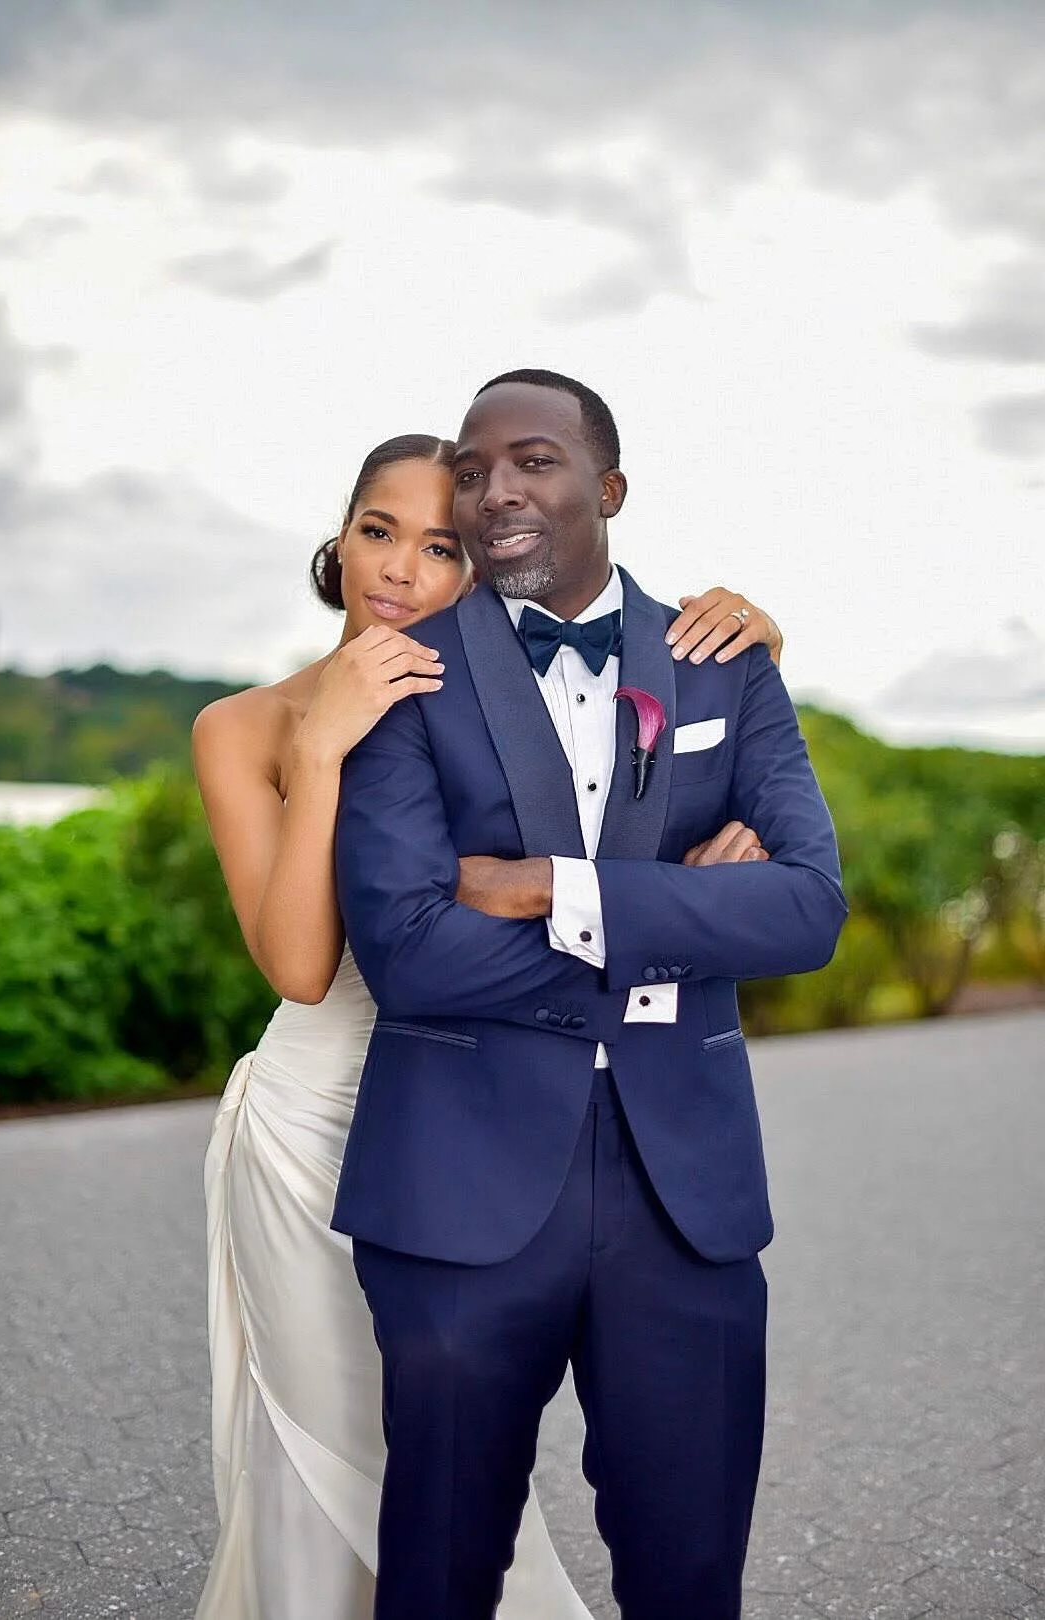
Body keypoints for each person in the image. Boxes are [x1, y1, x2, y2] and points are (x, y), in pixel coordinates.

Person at [191, 428, 786, 1619]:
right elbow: (304, 965)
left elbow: (639, 793)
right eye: (376, 531)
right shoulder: (244, 726)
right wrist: (324, 741)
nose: (400, 571)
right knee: (331, 1469)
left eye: (442, 547)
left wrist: (753, 651)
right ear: (338, 537)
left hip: (493, 1101)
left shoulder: (490, 705)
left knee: (460, 1497)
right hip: (314, 1128)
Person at [334, 372, 847, 1620]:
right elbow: (408, 948)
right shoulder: (402, 676)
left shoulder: (724, 664)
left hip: (688, 1195)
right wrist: (683, 916)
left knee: (690, 1580)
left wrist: (561, 891)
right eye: (472, 467)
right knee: (440, 1577)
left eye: (534, 462)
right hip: (460, 1190)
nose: (495, 489)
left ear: (608, 489)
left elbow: (807, 909)